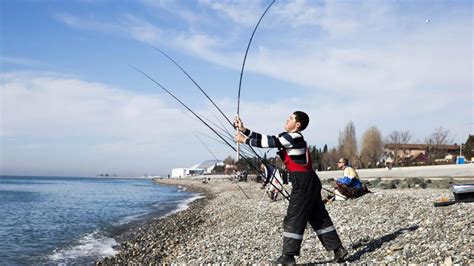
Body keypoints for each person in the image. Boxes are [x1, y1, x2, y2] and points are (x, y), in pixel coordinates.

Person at [235, 111, 347, 264]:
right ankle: (338, 249)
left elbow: (271, 142)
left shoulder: (293, 137)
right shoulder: (291, 138)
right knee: (318, 217)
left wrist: (245, 140)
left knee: (294, 217)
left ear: (297, 124)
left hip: (303, 182)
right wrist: (245, 131)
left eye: (290, 118)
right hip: (310, 181)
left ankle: (288, 257)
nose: (287, 120)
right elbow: (268, 138)